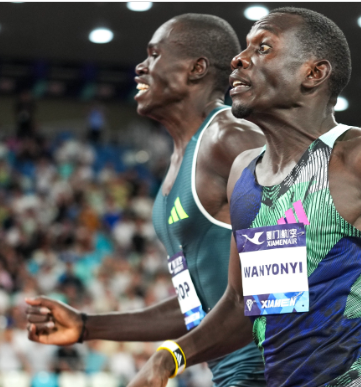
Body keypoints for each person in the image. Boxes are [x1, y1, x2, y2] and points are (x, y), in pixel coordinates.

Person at [129, 7, 361, 387]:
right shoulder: (244, 173)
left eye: (263, 47)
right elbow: (241, 305)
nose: (239, 59)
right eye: (245, 48)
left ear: (314, 73)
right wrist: (169, 357)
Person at [25, 14, 266, 387]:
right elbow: (199, 304)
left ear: (196, 69)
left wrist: (170, 357)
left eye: (154, 55)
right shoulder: (177, 166)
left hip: (280, 371)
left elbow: (275, 285)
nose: (140, 67)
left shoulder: (232, 140)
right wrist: (88, 326)